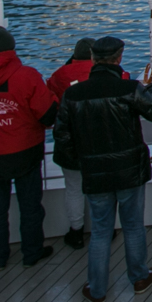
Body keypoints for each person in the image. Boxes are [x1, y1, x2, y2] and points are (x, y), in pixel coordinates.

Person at [54, 36, 152, 302]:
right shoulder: (129, 89)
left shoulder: (73, 94)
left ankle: (97, 289)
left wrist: (83, 162)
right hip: (129, 170)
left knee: (101, 231)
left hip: (96, 172)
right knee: (133, 226)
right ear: (119, 58)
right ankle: (139, 277)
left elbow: (62, 135)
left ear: (93, 59)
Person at [0, 25, 57, 270]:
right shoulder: (26, 75)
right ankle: (32, 252)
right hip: (24, 150)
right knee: (30, 206)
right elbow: (47, 114)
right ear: (11, 49)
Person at [46, 38, 99, 249]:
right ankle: (102, 229)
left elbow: (51, 99)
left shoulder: (60, 76)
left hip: (71, 143)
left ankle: (76, 231)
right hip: (99, 142)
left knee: (74, 189)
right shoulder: (106, 75)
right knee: (98, 189)